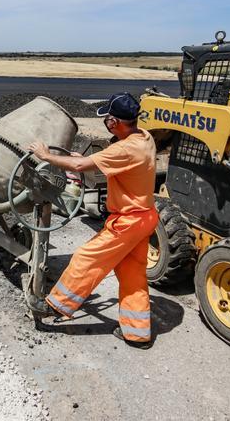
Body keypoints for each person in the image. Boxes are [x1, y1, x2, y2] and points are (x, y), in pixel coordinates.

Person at [27, 92, 158, 348]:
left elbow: (81, 168)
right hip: (145, 217)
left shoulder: (124, 148)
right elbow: (102, 163)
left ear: (114, 122)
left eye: (108, 119)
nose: (106, 123)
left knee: (86, 258)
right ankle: (137, 333)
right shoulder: (144, 137)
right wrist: (83, 160)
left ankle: (55, 306)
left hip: (127, 221)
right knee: (133, 276)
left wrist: (46, 156)